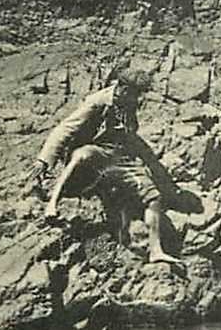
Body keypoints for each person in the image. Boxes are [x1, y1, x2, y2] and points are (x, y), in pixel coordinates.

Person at [28, 66, 183, 267]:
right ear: (124, 89)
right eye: (135, 94)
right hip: (95, 152)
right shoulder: (98, 102)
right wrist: (44, 159)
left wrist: (158, 172)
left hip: (119, 157)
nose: (138, 99)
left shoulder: (129, 103)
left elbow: (131, 136)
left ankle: (155, 250)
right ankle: (52, 204)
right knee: (81, 155)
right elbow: (65, 128)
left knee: (153, 197)